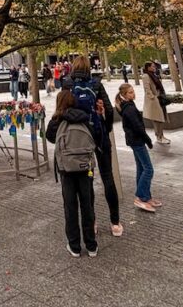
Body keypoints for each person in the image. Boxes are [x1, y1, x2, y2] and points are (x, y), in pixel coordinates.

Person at [62, 56, 121, 237]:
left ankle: (92, 221)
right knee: (107, 177)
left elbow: (64, 111)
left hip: (81, 139)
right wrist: (105, 126)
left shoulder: (67, 86)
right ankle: (115, 222)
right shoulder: (96, 84)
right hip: (99, 136)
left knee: (88, 179)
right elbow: (109, 110)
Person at [46, 90, 98, 258]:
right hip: (85, 168)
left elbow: (50, 137)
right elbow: (94, 136)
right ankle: (91, 246)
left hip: (66, 169)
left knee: (70, 206)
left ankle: (74, 246)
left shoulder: (57, 120)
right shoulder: (84, 117)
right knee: (87, 204)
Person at [115, 83, 160, 213]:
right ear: (124, 95)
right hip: (137, 141)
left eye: (133, 91)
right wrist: (147, 139)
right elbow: (137, 127)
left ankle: (145, 196)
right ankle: (140, 197)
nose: (133, 94)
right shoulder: (129, 109)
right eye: (130, 92)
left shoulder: (128, 106)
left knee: (141, 168)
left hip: (135, 140)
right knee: (148, 169)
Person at [142, 61, 171, 145]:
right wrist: (153, 97)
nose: (154, 68)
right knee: (158, 119)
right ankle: (159, 136)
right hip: (154, 100)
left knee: (161, 118)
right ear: (148, 67)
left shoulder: (153, 75)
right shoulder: (146, 76)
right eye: (153, 66)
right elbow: (147, 88)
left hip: (159, 98)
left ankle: (161, 135)